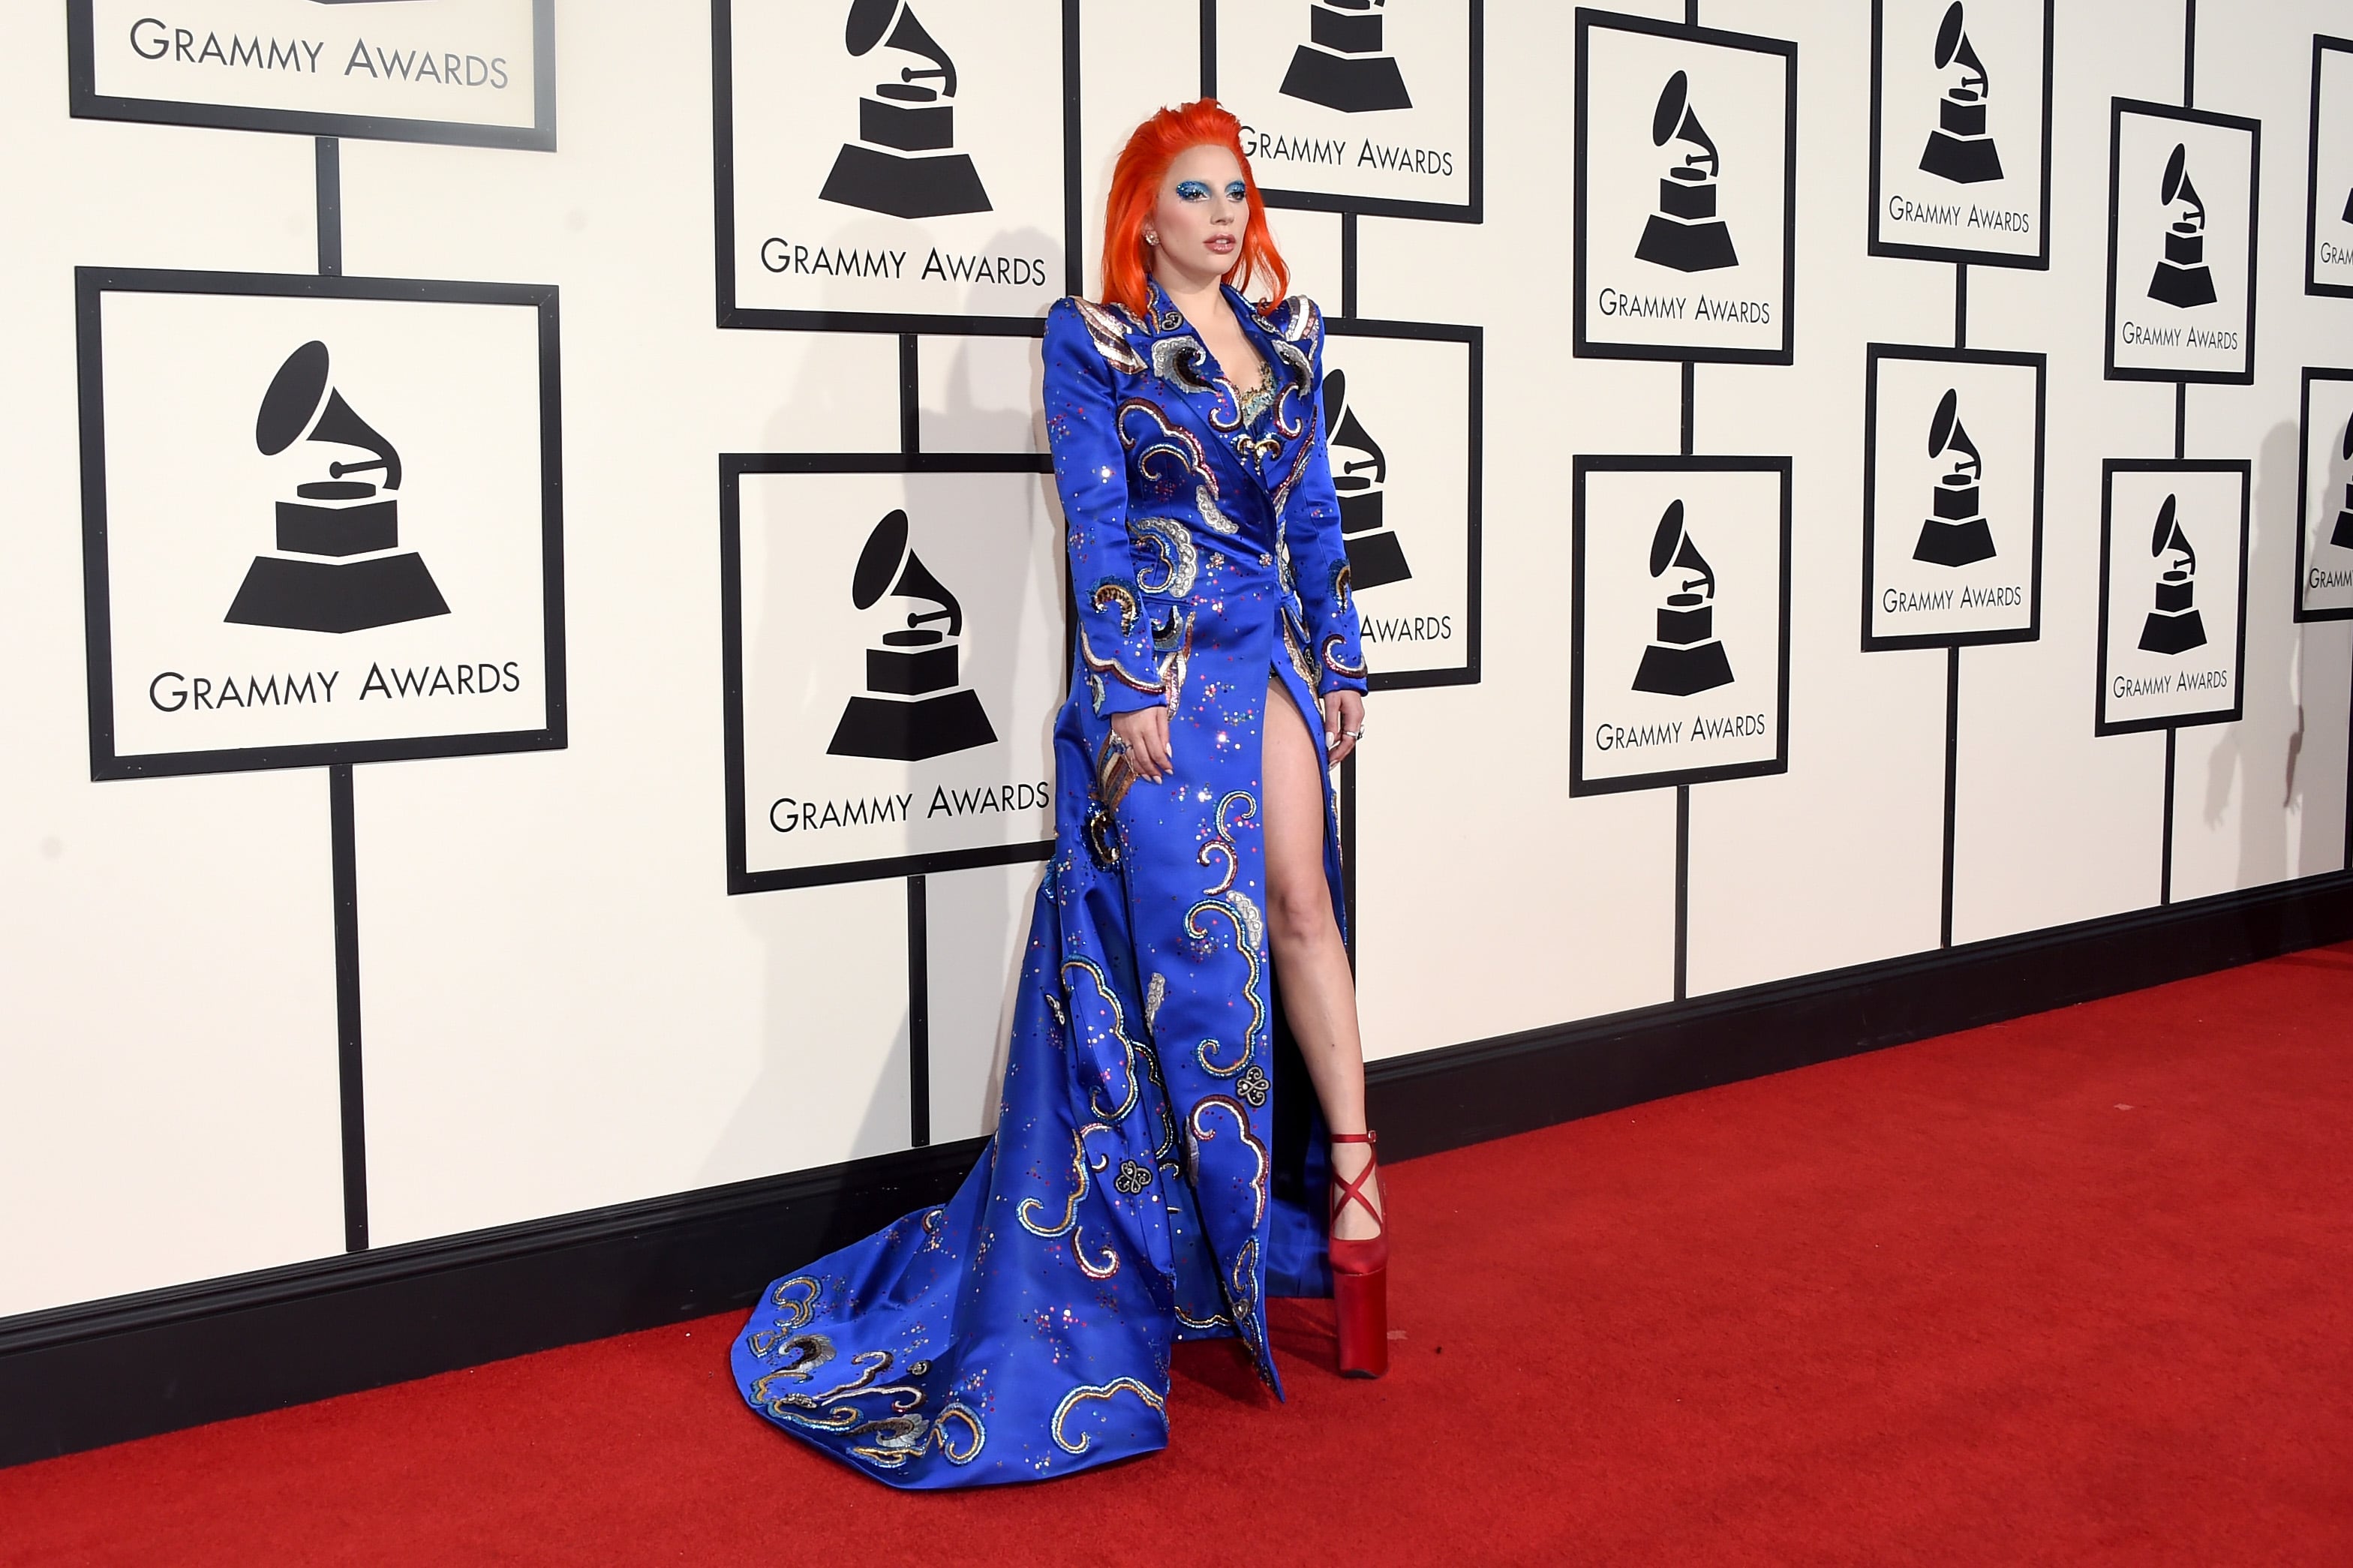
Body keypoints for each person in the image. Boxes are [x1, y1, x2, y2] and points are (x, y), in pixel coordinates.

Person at [732, 99, 1382, 1488]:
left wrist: (1340, 658)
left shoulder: (1289, 345)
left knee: (1304, 912)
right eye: (1192, 192)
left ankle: (1359, 1188)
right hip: (1149, 678)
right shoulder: (1091, 340)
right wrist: (1127, 684)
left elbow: (1317, 516)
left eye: (1235, 192)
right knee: (1169, 965)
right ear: (1144, 213)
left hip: (1259, 654)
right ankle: (1141, 1258)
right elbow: (1093, 513)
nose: (1221, 213)